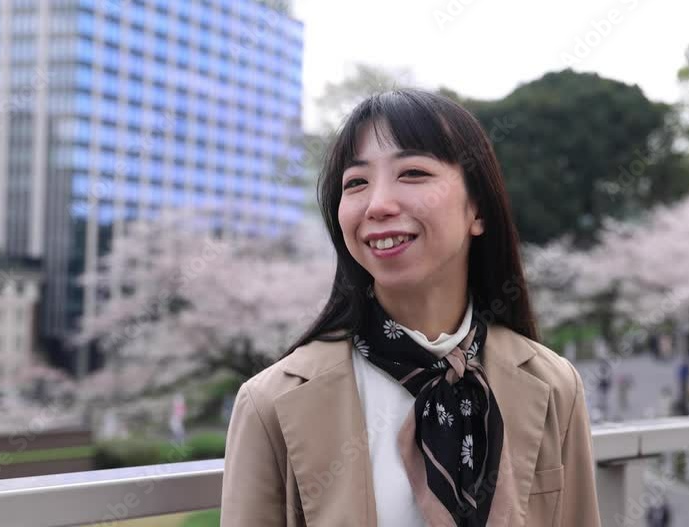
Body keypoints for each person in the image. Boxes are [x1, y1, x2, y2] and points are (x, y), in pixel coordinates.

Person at [220, 90, 601, 526]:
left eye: (414, 172)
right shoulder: (270, 402)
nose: (379, 204)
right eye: (356, 182)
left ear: (477, 209)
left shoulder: (552, 385)